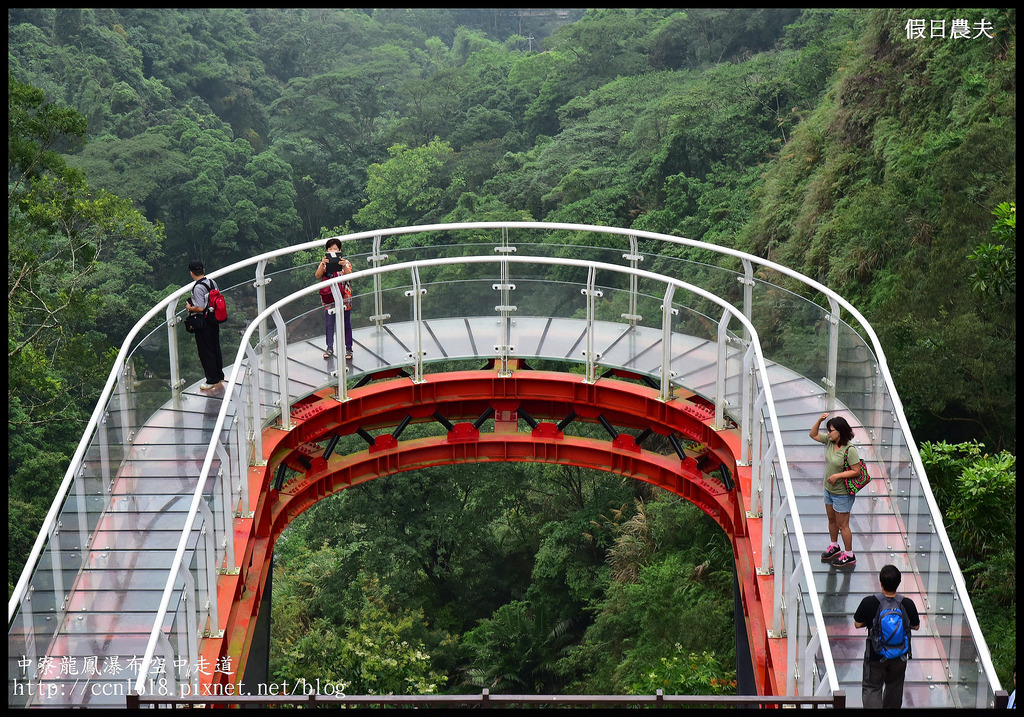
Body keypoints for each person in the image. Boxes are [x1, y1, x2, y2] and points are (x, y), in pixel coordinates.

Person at [854, 564, 921, 709]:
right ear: (898, 582)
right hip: (899, 655)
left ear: (881, 582)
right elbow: (916, 626)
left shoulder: (869, 602)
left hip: (875, 655)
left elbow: (857, 624)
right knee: (895, 688)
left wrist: (872, 623)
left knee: (872, 688)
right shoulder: (907, 603)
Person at [809, 412, 860, 567]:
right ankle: (834, 546)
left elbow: (856, 470)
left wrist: (838, 476)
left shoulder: (850, 450)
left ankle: (849, 555)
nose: (828, 433)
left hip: (842, 493)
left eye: (831, 430)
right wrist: (819, 420)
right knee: (831, 520)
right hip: (828, 490)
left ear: (840, 431)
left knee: (843, 525)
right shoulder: (830, 442)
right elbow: (813, 434)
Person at [185, 260, 225, 390]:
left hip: (204, 322)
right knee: (215, 347)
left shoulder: (198, 287)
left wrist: (190, 308)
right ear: (203, 270)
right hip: (214, 319)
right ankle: (219, 375)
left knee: (205, 351)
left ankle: (211, 380)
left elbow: (201, 308)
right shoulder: (212, 282)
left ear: (191, 273)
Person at [314, 238, 353, 360]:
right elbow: (318, 276)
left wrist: (343, 265)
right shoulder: (325, 264)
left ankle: (349, 349)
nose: (332, 251)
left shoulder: (346, 263)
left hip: (344, 297)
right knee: (329, 323)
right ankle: (329, 347)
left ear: (340, 250)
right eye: (330, 249)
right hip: (329, 298)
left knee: (346, 323)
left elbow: (349, 275)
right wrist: (322, 264)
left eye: (335, 249)